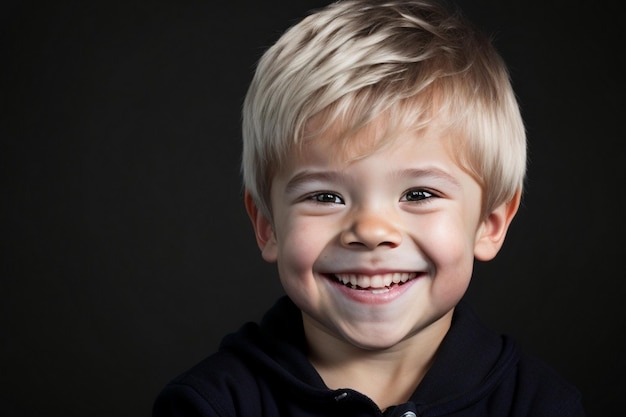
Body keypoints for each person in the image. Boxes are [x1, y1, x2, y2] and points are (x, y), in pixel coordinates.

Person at [153, 0, 586, 415]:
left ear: (489, 224)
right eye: (325, 196)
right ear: (267, 225)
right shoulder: (211, 404)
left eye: (418, 194)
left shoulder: (539, 404)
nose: (372, 229)